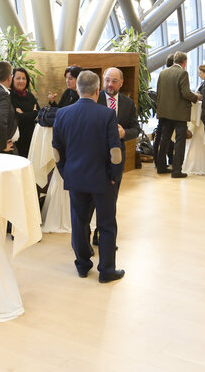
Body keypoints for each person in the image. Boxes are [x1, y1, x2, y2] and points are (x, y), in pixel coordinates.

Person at [52, 71, 125, 283]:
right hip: (103, 179)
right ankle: (106, 270)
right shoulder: (106, 115)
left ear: (77, 89)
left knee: (79, 223)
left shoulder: (62, 114)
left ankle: (83, 266)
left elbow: (57, 150)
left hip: (75, 178)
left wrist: (66, 172)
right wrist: (114, 177)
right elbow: (115, 152)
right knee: (107, 225)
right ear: (97, 90)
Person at [91, 67, 141, 245]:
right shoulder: (94, 100)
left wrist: (123, 134)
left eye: (113, 81)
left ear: (121, 83)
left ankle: (102, 236)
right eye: (107, 80)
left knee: (111, 200)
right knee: (91, 201)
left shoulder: (128, 104)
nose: (109, 85)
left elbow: (136, 129)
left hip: (116, 161)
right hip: (95, 157)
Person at [156, 51, 200, 178]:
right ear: (184, 62)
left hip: (165, 112)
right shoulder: (183, 73)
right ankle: (176, 171)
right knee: (180, 141)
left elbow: (159, 92)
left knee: (164, 140)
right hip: (179, 113)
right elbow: (186, 93)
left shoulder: (163, 72)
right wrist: (195, 98)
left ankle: (161, 167)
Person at [10, 67, 40, 158]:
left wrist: (24, 114)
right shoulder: (9, 95)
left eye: (24, 78)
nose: (21, 81)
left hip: (31, 138)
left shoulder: (29, 95)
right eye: (18, 78)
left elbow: (39, 114)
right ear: (12, 79)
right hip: (17, 140)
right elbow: (18, 118)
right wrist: (33, 113)